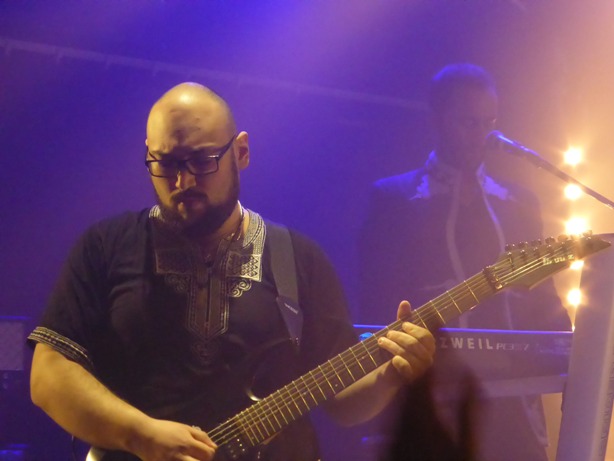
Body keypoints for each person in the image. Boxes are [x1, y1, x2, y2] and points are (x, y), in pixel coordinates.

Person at [28, 82, 436, 461]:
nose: (183, 180)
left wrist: (390, 375)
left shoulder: (300, 258)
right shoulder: (106, 246)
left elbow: (344, 404)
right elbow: (48, 376)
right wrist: (142, 435)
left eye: (202, 161)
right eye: (166, 163)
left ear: (241, 152)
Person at [358, 64, 572, 461]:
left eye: (489, 123)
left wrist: (573, 357)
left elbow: (545, 301)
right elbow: (376, 301)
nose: (481, 135)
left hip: (515, 409)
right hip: (431, 402)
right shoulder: (394, 199)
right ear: (438, 120)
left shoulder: (519, 203)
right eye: (468, 122)